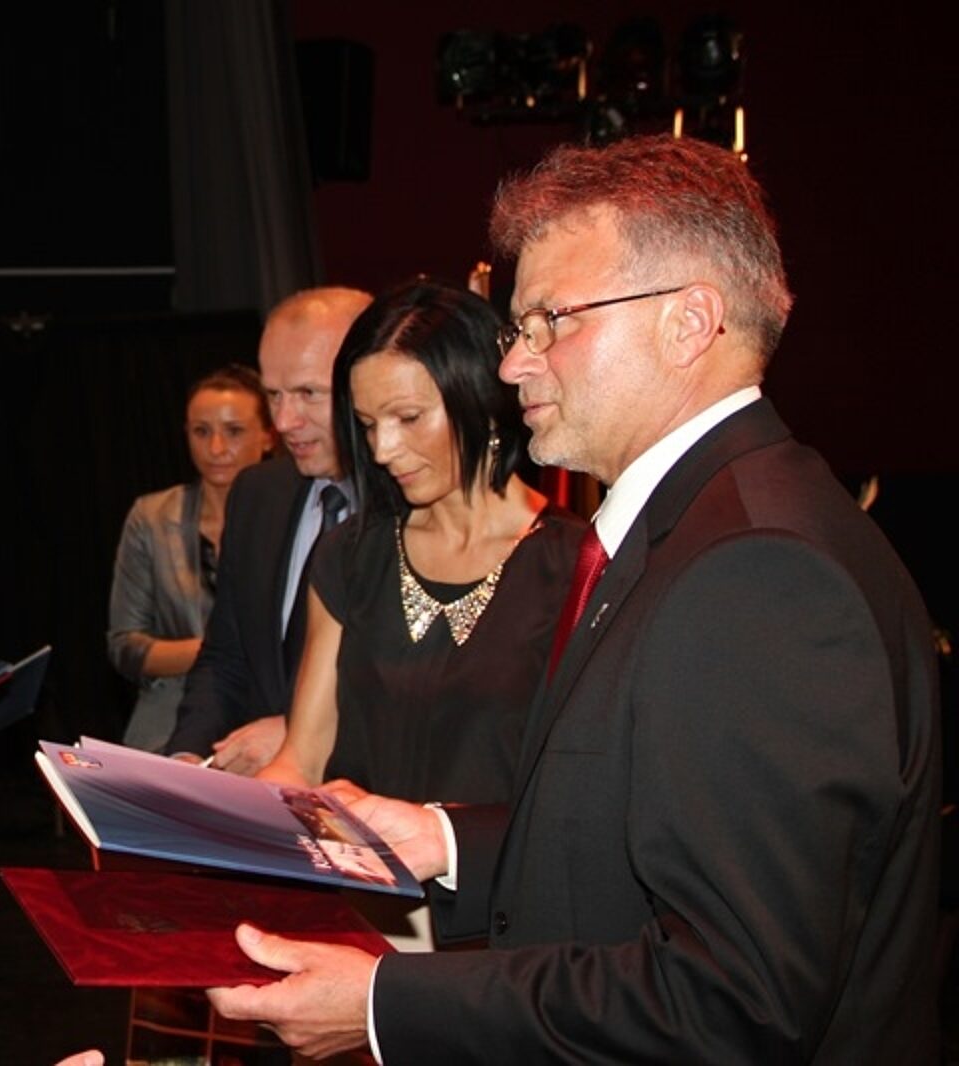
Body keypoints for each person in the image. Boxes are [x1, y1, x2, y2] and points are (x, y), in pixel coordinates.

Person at [207, 134, 939, 1062]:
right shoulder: (708, 526)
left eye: (551, 320)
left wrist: (388, 1001)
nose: (515, 364)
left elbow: (729, 1000)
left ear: (689, 322)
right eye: (520, 328)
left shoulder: (757, 570)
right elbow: (628, 847)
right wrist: (442, 839)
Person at [256, 278, 584, 803]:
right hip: (355, 856)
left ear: (481, 401)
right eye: (367, 424)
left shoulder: (575, 568)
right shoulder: (351, 555)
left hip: (492, 859)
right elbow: (304, 758)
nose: (383, 449)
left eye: (408, 418)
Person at [165, 287, 372, 772]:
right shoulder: (257, 494)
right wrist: (186, 758)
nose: (283, 421)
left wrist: (298, 732)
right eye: (274, 395)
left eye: (308, 394)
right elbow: (226, 658)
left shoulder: (415, 511)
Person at [107, 364, 276, 750]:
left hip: (269, 729)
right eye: (201, 431)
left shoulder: (295, 519)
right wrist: (221, 652)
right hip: (169, 726)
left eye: (234, 431)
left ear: (269, 436)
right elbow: (124, 646)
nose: (216, 448)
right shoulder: (151, 518)